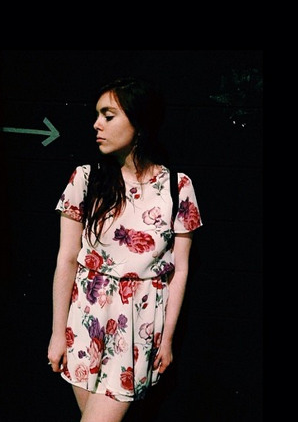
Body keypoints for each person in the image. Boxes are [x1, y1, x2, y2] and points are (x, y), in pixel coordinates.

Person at [47, 77, 203, 422]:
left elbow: (180, 270)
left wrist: (167, 339)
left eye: (108, 115)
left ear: (140, 122)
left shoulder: (177, 187)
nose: (96, 124)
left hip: (138, 329)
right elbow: (67, 259)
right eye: (97, 115)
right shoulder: (85, 179)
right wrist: (58, 334)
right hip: (85, 322)